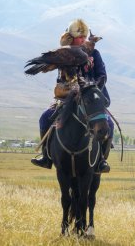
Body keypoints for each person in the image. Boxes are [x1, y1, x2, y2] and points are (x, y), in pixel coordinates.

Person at [31, 19, 113, 173]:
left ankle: (101, 159)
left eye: (84, 37)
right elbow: (62, 78)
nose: (82, 40)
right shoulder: (66, 53)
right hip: (69, 97)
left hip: (92, 98)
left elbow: (102, 75)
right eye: (79, 37)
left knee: (109, 123)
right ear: (72, 38)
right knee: (45, 117)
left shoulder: (95, 54)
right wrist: (69, 86)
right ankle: (46, 157)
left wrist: (91, 87)